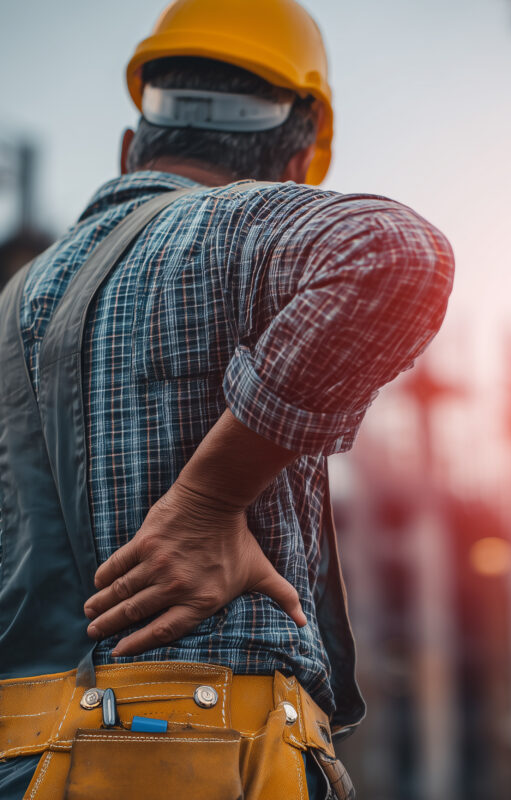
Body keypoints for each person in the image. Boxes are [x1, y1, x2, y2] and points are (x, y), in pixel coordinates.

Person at [0, 1, 453, 798]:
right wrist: (209, 500)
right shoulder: (230, 225)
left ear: (131, 145)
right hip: (206, 759)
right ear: (299, 162)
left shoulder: (12, 307)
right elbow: (398, 253)